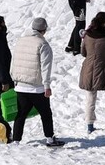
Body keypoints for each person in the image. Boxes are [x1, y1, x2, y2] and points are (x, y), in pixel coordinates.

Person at [10, 17, 65, 146]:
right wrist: (47, 85)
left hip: (21, 86)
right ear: (44, 30)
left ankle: (16, 140)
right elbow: (45, 67)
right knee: (46, 114)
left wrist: (14, 79)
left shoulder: (20, 41)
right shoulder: (42, 44)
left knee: (21, 114)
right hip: (37, 87)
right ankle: (50, 139)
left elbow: (14, 62)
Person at [79, 12, 105, 133]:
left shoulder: (87, 35)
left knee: (90, 98)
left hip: (88, 70)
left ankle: (89, 125)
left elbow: (83, 52)